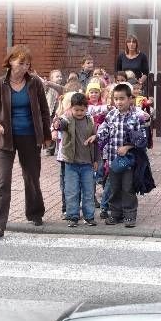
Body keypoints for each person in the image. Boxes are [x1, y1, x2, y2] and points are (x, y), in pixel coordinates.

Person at [0, 44, 52, 240]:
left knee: (32, 176)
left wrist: (46, 136)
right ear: (11, 62)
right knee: (3, 180)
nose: (24, 67)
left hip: (30, 137)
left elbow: (44, 111)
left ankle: (35, 212)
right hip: (5, 139)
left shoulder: (35, 83)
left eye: (28, 64)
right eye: (21, 63)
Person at [92, 82, 147, 228]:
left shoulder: (135, 117)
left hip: (128, 161)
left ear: (130, 99)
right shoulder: (111, 115)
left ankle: (129, 215)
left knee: (127, 188)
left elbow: (142, 138)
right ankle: (115, 214)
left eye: (122, 98)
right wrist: (96, 137)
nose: (119, 102)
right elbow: (104, 130)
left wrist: (128, 147)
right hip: (112, 160)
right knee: (114, 187)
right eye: (116, 99)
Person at [53, 92, 99, 227]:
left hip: (87, 164)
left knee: (89, 191)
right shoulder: (67, 119)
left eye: (82, 110)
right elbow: (60, 124)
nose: (79, 112)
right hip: (71, 163)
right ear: (71, 108)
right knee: (72, 191)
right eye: (76, 110)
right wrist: (56, 124)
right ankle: (72, 216)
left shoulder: (90, 121)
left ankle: (89, 216)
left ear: (86, 108)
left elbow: (95, 141)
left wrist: (96, 160)